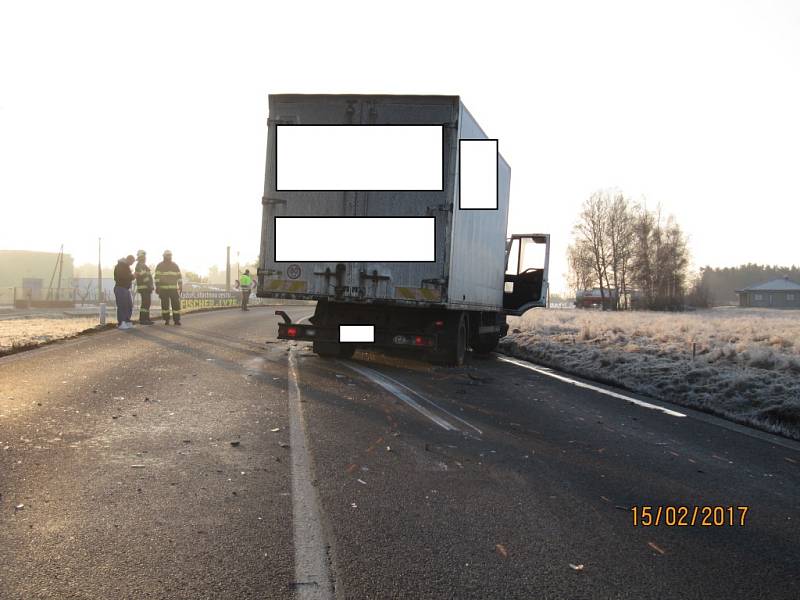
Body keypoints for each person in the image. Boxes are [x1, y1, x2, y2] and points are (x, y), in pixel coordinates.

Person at [154, 250, 183, 325]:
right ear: (164, 256)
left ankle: (176, 320)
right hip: (163, 290)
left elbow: (179, 276)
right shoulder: (160, 265)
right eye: (168, 255)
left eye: (170, 255)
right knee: (165, 306)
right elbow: (156, 277)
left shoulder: (175, 265)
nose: (169, 257)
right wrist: (157, 286)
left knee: (176, 305)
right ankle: (166, 320)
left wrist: (180, 285)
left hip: (173, 289)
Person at [113, 255, 136, 329]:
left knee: (129, 305)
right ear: (128, 260)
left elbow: (127, 276)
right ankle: (121, 323)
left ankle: (127, 321)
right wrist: (133, 276)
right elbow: (123, 276)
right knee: (122, 306)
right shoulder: (120, 266)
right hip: (120, 288)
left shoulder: (126, 266)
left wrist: (132, 276)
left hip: (126, 289)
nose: (132, 263)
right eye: (132, 262)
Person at [134, 250, 155, 325]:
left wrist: (150, 285)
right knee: (145, 303)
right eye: (143, 256)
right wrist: (150, 285)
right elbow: (145, 277)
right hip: (144, 288)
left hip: (146, 287)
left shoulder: (143, 265)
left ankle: (146, 318)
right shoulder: (140, 265)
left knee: (147, 303)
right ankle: (143, 320)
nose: (145, 258)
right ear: (140, 257)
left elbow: (148, 277)